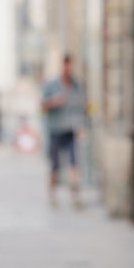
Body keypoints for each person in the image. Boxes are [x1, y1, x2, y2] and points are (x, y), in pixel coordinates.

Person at [41, 55, 86, 208]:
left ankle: (75, 197)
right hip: (55, 129)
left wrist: (81, 126)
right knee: (55, 166)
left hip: (71, 130)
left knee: (74, 164)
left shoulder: (77, 86)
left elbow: (82, 107)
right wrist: (54, 101)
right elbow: (42, 105)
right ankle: (52, 195)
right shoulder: (52, 85)